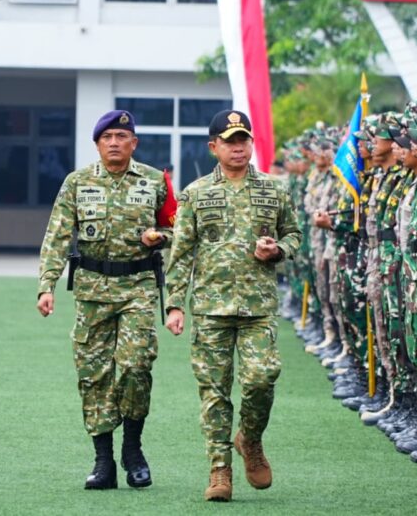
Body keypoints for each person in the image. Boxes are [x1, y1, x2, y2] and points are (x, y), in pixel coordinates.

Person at [164, 109, 302, 502]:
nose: (237, 147)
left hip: (258, 306)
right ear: (214, 147)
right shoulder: (195, 193)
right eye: (229, 141)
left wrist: (277, 250)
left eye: (243, 139)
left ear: (250, 144)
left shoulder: (274, 190)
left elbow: (293, 235)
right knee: (214, 392)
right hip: (210, 308)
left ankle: (251, 438)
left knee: (262, 378)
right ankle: (219, 469)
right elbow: (182, 252)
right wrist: (175, 304)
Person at [37, 110, 173, 490]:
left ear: (134, 143)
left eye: (121, 136)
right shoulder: (77, 183)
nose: (114, 142)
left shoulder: (155, 181)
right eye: (107, 137)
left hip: (139, 287)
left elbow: (177, 227)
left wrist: (159, 237)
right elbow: (57, 236)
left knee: (135, 365)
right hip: (92, 289)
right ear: (97, 144)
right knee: (92, 374)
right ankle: (103, 461)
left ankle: (133, 449)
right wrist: (46, 285)